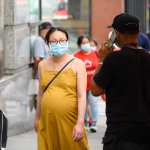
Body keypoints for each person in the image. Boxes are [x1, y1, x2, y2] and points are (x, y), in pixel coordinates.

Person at [91, 13, 150, 150]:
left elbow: (95, 90)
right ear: (138, 32)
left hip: (119, 135)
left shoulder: (113, 60)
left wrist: (101, 60)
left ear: (116, 33)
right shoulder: (148, 58)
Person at [34, 27, 89, 150]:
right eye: (54, 41)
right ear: (48, 43)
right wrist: (37, 118)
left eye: (62, 40)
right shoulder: (42, 65)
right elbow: (41, 94)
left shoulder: (78, 64)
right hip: (47, 121)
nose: (58, 44)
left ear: (67, 41)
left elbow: (81, 96)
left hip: (70, 121)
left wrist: (80, 123)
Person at [74, 35, 99, 132]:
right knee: (83, 103)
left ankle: (93, 123)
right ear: (79, 45)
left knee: (94, 103)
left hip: (93, 83)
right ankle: (84, 123)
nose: (86, 44)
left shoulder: (95, 54)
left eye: (87, 42)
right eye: (83, 43)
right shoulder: (76, 56)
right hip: (81, 84)